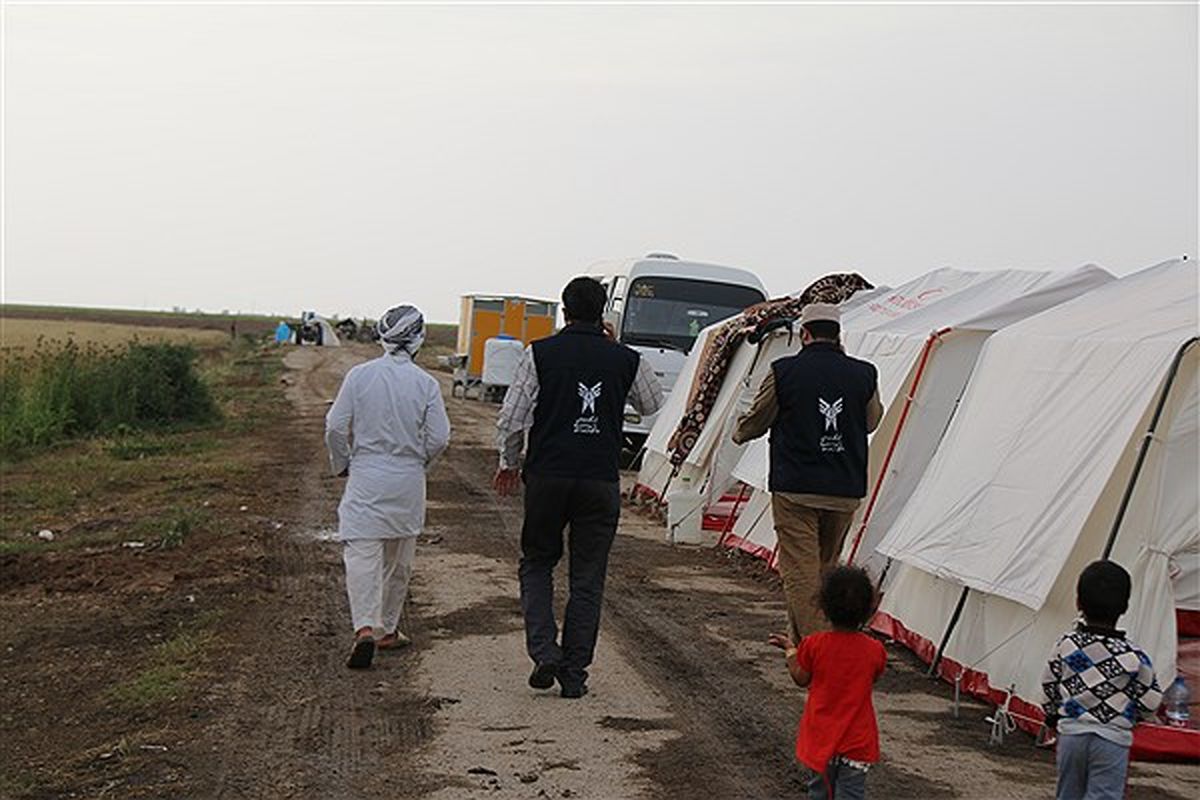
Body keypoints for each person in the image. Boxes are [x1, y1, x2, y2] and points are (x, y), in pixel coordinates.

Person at [494, 276, 663, 698]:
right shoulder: (625, 358)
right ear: (604, 311)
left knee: (536, 563)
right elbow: (653, 404)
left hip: (548, 476)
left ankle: (544, 652)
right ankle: (574, 672)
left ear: (564, 310)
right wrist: (614, 349)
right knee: (587, 578)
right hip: (599, 479)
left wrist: (508, 462)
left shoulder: (540, 354)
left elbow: (512, 418)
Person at [733, 302, 883, 642]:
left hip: (796, 486)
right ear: (838, 336)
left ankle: (820, 652)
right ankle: (801, 643)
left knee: (800, 573)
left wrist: (738, 432)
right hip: (844, 487)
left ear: (804, 334)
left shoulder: (784, 371)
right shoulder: (864, 373)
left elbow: (759, 418)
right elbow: (872, 420)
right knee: (826, 571)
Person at [325, 305, 451, 669]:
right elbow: (440, 438)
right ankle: (387, 630)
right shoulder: (426, 383)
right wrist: (420, 464)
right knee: (398, 560)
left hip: (366, 474)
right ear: (418, 339)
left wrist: (342, 463)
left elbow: (335, 426)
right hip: (407, 478)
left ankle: (364, 626)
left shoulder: (359, 376)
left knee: (362, 554)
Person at [1041, 560, 1162, 800]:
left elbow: (1049, 684)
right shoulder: (1133, 656)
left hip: (1072, 735)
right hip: (1112, 739)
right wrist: (1133, 717)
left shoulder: (1066, 645)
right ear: (1125, 607)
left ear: (1078, 603)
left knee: (1068, 793)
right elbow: (1151, 699)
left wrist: (1052, 715)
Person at [769, 566, 887, 800]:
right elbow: (873, 676)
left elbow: (801, 679)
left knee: (820, 793)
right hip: (857, 740)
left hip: (821, 739)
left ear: (823, 607)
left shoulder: (814, 645)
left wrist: (791, 651)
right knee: (851, 794)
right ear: (869, 608)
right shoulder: (875, 650)